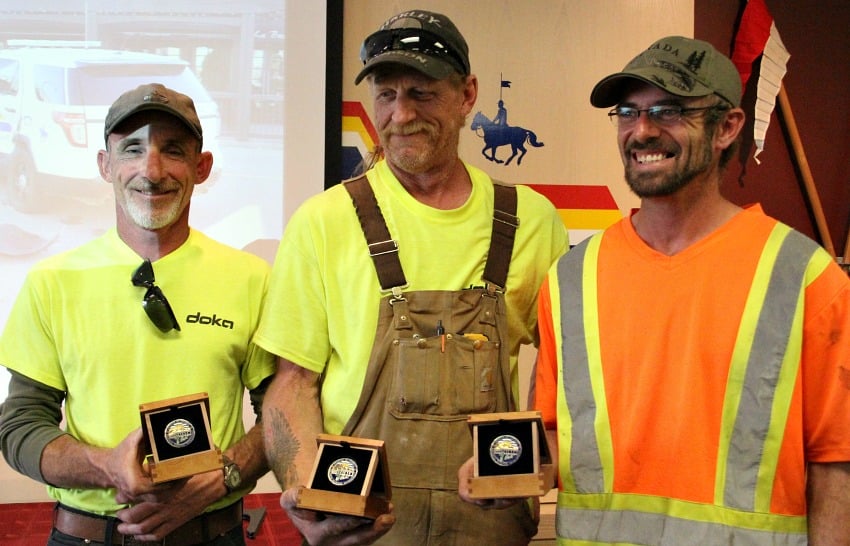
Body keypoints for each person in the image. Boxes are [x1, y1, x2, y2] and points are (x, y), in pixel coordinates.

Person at [461, 35, 850, 544]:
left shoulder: (805, 278)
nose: (641, 131)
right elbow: (559, 437)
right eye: (627, 112)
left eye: (669, 111)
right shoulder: (573, 278)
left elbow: (835, 464)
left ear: (727, 127)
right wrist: (507, 469)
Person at [255, 8, 567, 545]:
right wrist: (306, 484)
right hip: (362, 527)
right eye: (385, 93)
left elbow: (573, 383)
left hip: (489, 526)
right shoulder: (325, 220)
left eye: (422, 93)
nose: (401, 115)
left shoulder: (531, 221)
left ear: (468, 95)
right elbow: (292, 384)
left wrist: (546, 458)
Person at [0, 83, 276, 545]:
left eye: (173, 151)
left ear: (201, 167)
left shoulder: (252, 278)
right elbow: (20, 426)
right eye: (132, 149)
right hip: (86, 535)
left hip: (214, 533)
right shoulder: (52, 281)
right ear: (105, 165)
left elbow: (282, 413)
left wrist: (222, 476)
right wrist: (106, 466)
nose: (151, 171)